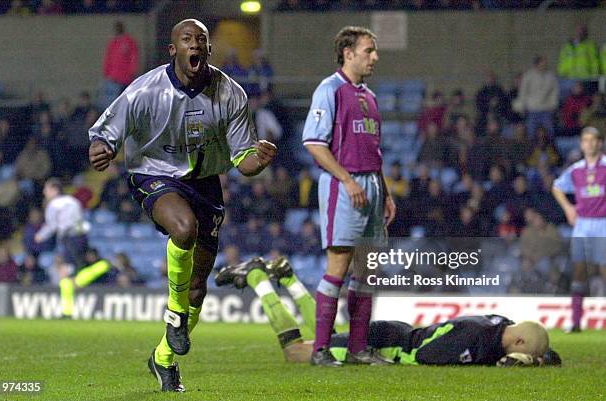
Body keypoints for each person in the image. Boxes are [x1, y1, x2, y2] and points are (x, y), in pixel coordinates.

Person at [88, 19, 276, 392]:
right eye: (187, 39)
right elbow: (105, 133)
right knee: (184, 228)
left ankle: (162, 358)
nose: (196, 45)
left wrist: (260, 158)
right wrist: (103, 148)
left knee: (198, 289)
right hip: (153, 174)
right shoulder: (145, 90)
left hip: (205, 182)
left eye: (202, 41)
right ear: (173, 50)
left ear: (208, 51)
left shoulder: (229, 93)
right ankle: (174, 314)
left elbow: (244, 162)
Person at [215, 257, 560, 367]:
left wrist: (540, 358)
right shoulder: (475, 340)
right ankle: (258, 277)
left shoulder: (503, 328)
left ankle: (288, 278)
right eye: (523, 351)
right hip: (391, 342)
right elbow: (426, 358)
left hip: (398, 329)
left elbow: (535, 343)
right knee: (296, 353)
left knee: (328, 333)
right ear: (515, 339)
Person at [301, 26, 395, 366]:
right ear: (348, 53)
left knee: (368, 271)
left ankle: (358, 350)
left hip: (371, 186)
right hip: (345, 187)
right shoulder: (330, 89)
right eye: (369, 50)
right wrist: (347, 180)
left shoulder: (369, 96)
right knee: (338, 266)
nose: (375, 57)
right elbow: (313, 143)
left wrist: (384, 192)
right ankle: (321, 351)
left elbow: (374, 150)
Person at [552, 127, 605, 332]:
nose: (590, 143)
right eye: (586, 140)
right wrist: (568, 208)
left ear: (600, 143)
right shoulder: (576, 170)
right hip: (583, 224)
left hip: (603, 222)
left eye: (593, 140)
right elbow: (557, 187)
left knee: (604, 270)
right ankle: (575, 322)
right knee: (579, 272)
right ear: (582, 144)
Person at [34, 178, 111, 318]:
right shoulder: (72, 201)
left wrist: (40, 236)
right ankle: (67, 311)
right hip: (81, 238)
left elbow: (52, 226)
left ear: (54, 190)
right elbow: (81, 221)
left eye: (47, 189)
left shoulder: (54, 205)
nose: (44, 192)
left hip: (69, 239)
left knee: (68, 277)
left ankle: (102, 266)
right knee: (70, 275)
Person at [515, 56, 559, 139]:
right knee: (531, 132)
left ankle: (551, 150)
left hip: (546, 109)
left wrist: (553, 105)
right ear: (537, 64)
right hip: (532, 109)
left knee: (549, 131)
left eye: (545, 63)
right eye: (542, 63)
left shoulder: (551, 76)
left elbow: (554, 92)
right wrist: (521, 107)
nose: (545, 65)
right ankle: (533, 150)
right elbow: (523, 92)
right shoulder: (528, 76)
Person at [102, 21, 139, 109]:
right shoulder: (113, 43)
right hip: (113, 77)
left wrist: (133, 72)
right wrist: (106, 73)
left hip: (126, 78)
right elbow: (108, 59)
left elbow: (133, 58)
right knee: (113, 103)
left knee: (126, 102)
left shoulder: (129, 42)